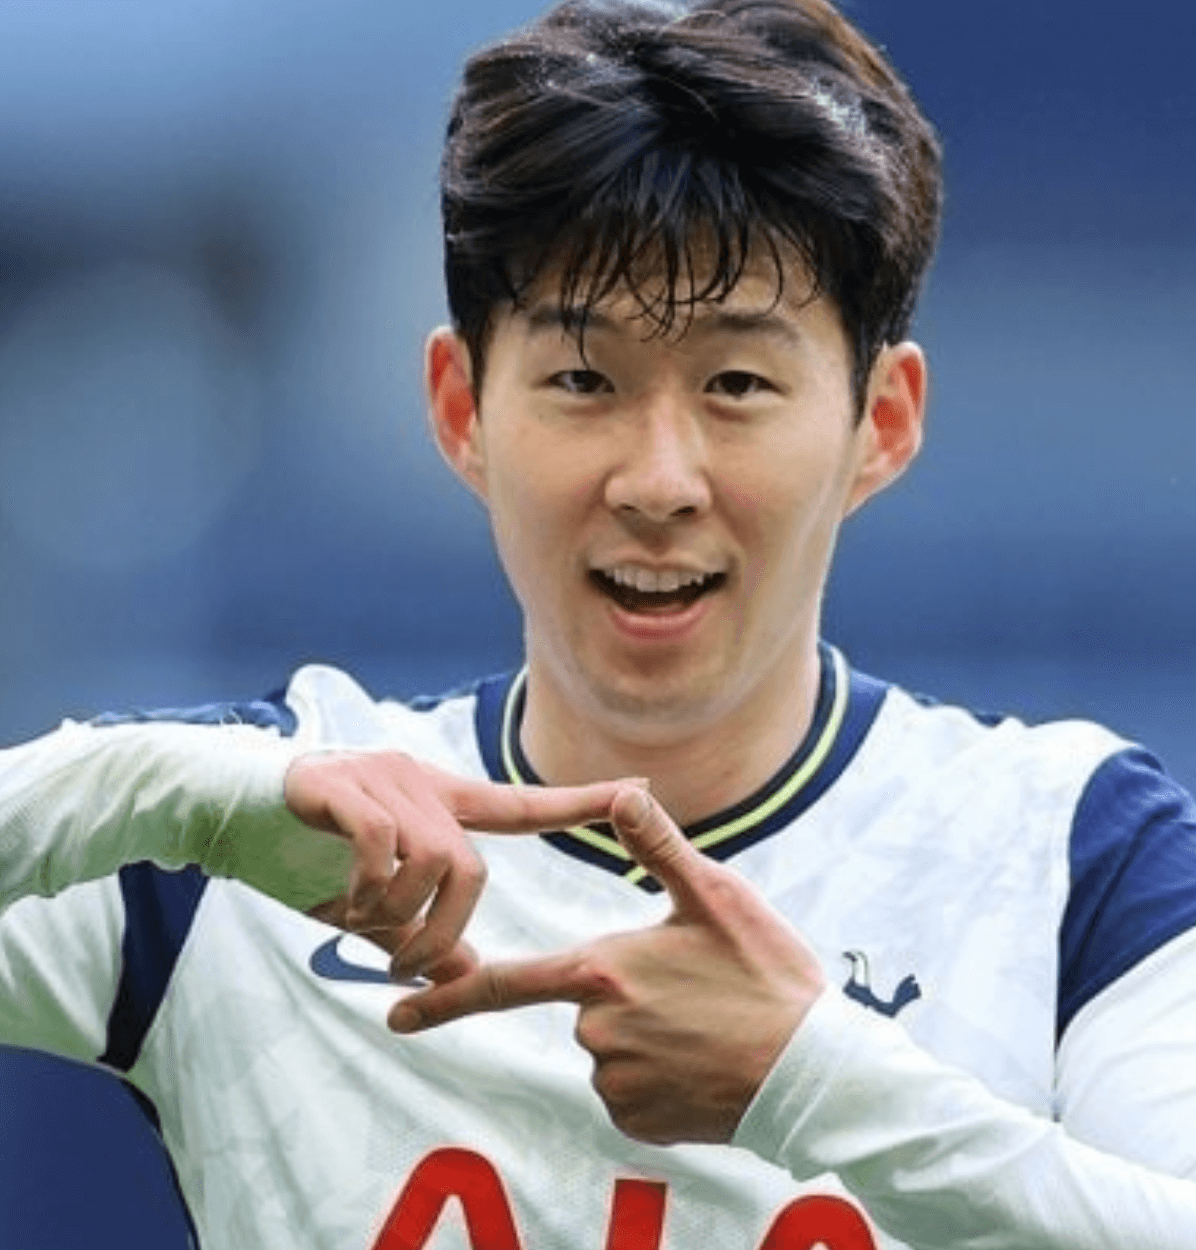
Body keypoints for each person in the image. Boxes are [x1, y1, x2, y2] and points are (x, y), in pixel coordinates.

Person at [2, 1, 1195, 1247]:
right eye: (582, 379)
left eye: (736, 383)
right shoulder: (262, 833)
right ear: (459, 407)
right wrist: (162, 792)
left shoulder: (1069, 856)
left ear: (879, 422)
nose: (657, 480)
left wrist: (810, 1082)